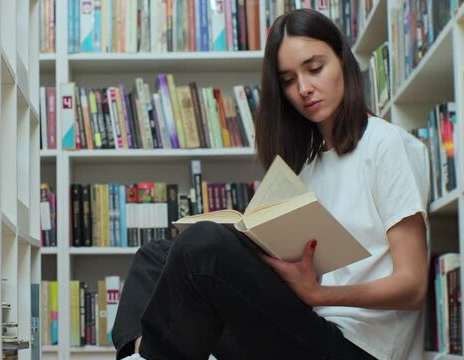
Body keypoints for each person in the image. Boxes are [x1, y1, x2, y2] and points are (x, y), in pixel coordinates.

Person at [111, 8, 430, 360]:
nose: (304, 89)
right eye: (289, 80)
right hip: (307, 325)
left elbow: (412, 285)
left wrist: (317, 296)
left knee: (203, 246)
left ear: (342, 59)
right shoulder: (308, 164)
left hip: (359, 347)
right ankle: (141, 352)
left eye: (314, 68)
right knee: (156, 254)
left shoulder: (386, 144)